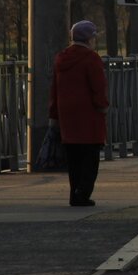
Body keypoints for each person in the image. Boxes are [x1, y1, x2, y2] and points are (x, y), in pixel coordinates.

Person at [48, 20, 109, 207]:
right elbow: (98, 87)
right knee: (90, 158)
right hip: (88, 114)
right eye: (93, 37)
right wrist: (103, 106)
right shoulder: (91, 59)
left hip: (67, 114)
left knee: (73, 158)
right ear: (89, 38)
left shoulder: (61, 58)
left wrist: (54, 113)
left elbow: (54, 89)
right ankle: (83, 193)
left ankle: (74, 194)